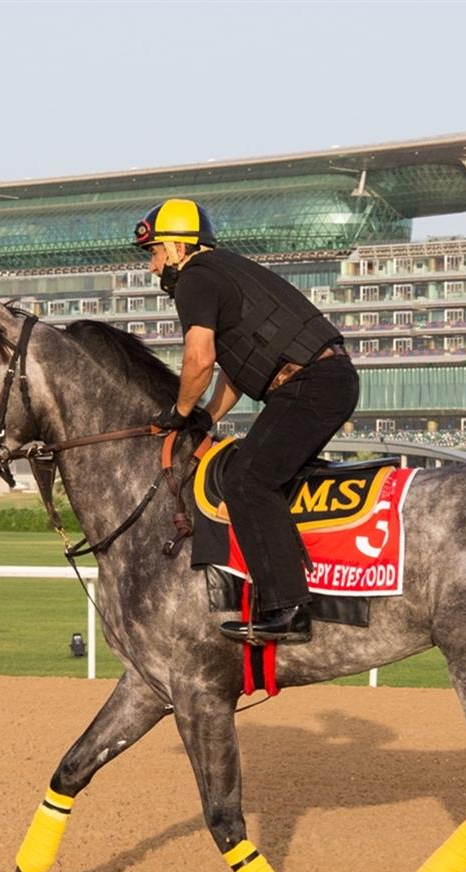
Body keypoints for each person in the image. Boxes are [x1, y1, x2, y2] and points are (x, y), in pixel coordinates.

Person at [133, 198, 359, 644]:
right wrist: (207, 417)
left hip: (309, 385)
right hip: (326, 379)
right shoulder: (225, 270)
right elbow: (237, 368)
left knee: (244, 480)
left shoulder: (194, 280)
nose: (152, 267)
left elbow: (200, 360)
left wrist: (179, 413)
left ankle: (287, 608)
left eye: (155, 252)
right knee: (266, 475)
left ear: (179, 247)